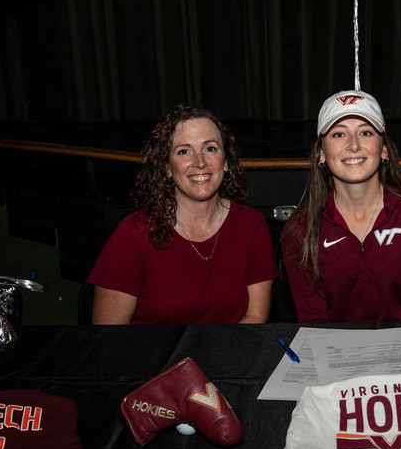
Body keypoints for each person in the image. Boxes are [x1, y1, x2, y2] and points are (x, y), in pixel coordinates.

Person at [88, 104, 278, 324]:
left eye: (210, 148)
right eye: (184, 151)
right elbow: (109, 336)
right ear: (167, 168)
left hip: (225, 354)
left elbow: (255, 317)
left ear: (226, 162)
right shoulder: (133, 234)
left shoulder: (251, 225)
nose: (200, 162)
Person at [281, 90, 401, 323]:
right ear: (321, 154)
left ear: (384, 149)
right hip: (333, 353)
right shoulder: (299, 231)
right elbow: (314, 324)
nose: (354, 145)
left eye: (365, 132)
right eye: (339, 134)